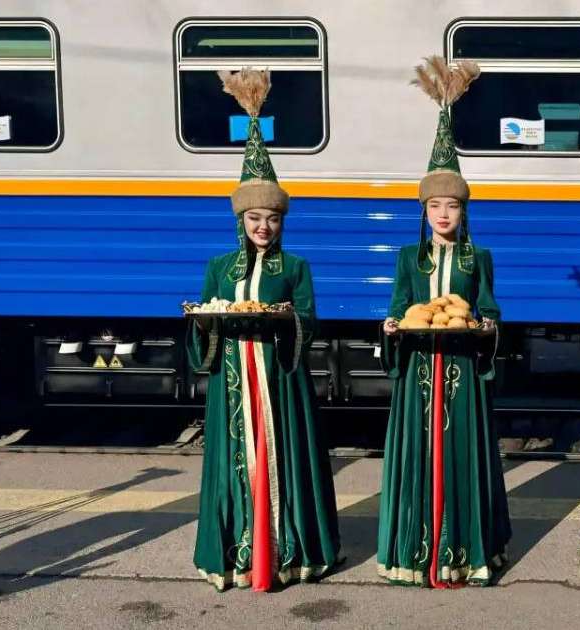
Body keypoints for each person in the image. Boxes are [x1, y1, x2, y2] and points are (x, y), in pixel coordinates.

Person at [189, 68, 341, 592]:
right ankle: (234, 558)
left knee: (284, 462)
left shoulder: (294, 268)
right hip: (233, 379)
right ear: (241, 220)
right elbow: (206, 318)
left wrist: (283, 322)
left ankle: (287, 553)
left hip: (278, 380)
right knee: (234, 464)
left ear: (282, 223)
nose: (263, 227)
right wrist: (211, 321)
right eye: (254, 218)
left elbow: (309, 321)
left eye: (272, 219)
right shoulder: (217, 267)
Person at [376, 56, 510, 587]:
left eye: (452, 206)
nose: (444, 214)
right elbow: (397, 306)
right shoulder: (410, 258)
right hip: (417, 376)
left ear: (463, 211)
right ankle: (416, 552)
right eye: (435, 205)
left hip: (461, 380)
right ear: (425, 210)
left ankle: (464, 552)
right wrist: (391, 327)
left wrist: (483, 328)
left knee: (461, 459)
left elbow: (493, 312)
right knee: (418, 462)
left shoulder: (480, 259)